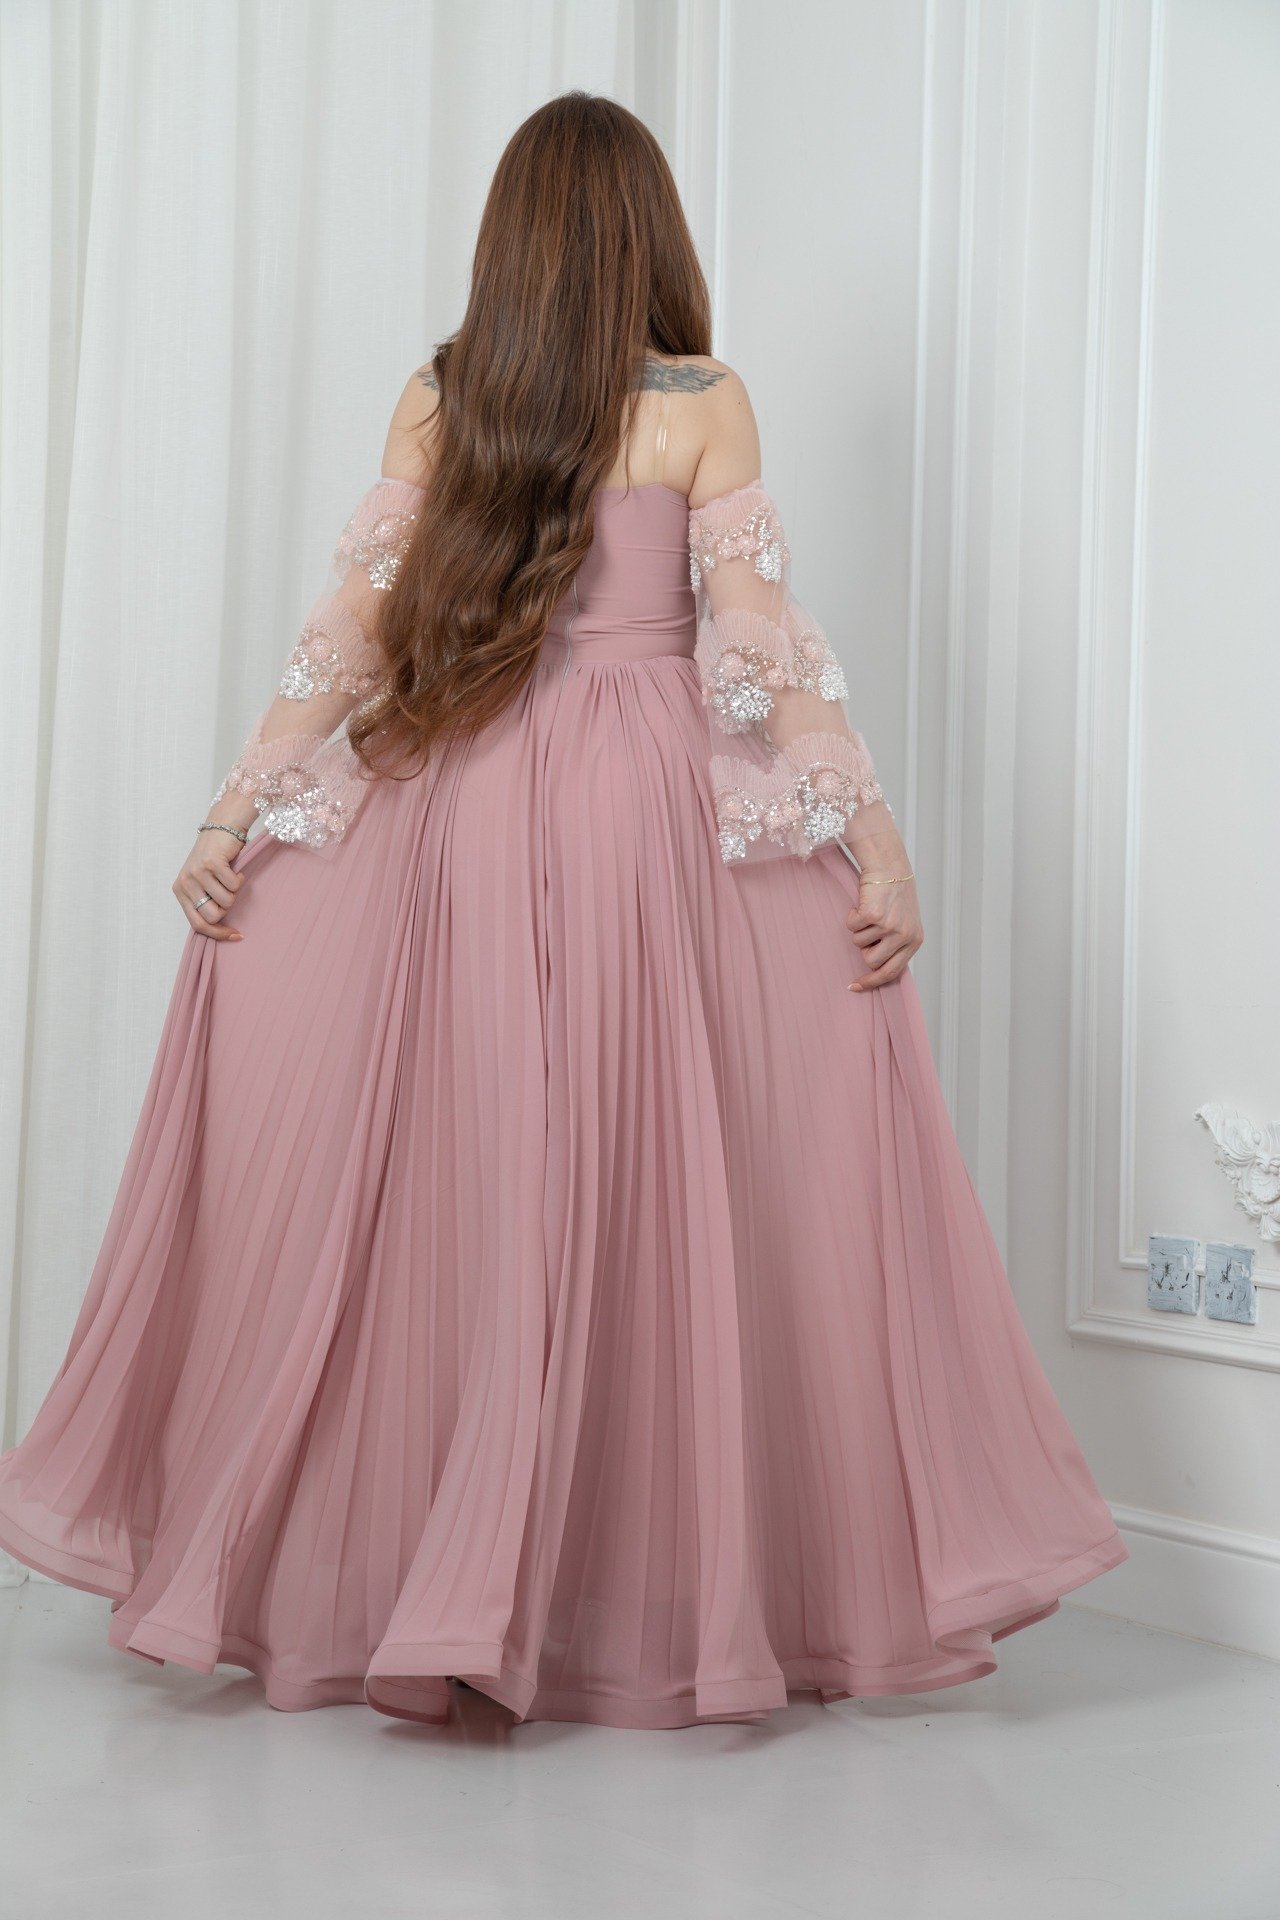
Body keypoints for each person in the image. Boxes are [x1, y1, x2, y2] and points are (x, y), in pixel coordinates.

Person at [0, 91, 1127, 1731]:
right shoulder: (700, 400)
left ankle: (456, 1588)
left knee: (464, 1175)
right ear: (643, 232)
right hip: (640, 803)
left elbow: (356, 626)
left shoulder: (444, 392)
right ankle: (588, 1595)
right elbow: (762, 645)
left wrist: (237, 812)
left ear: (513, 238)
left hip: (458, 790)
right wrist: (874, 844)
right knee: (631, 1166)